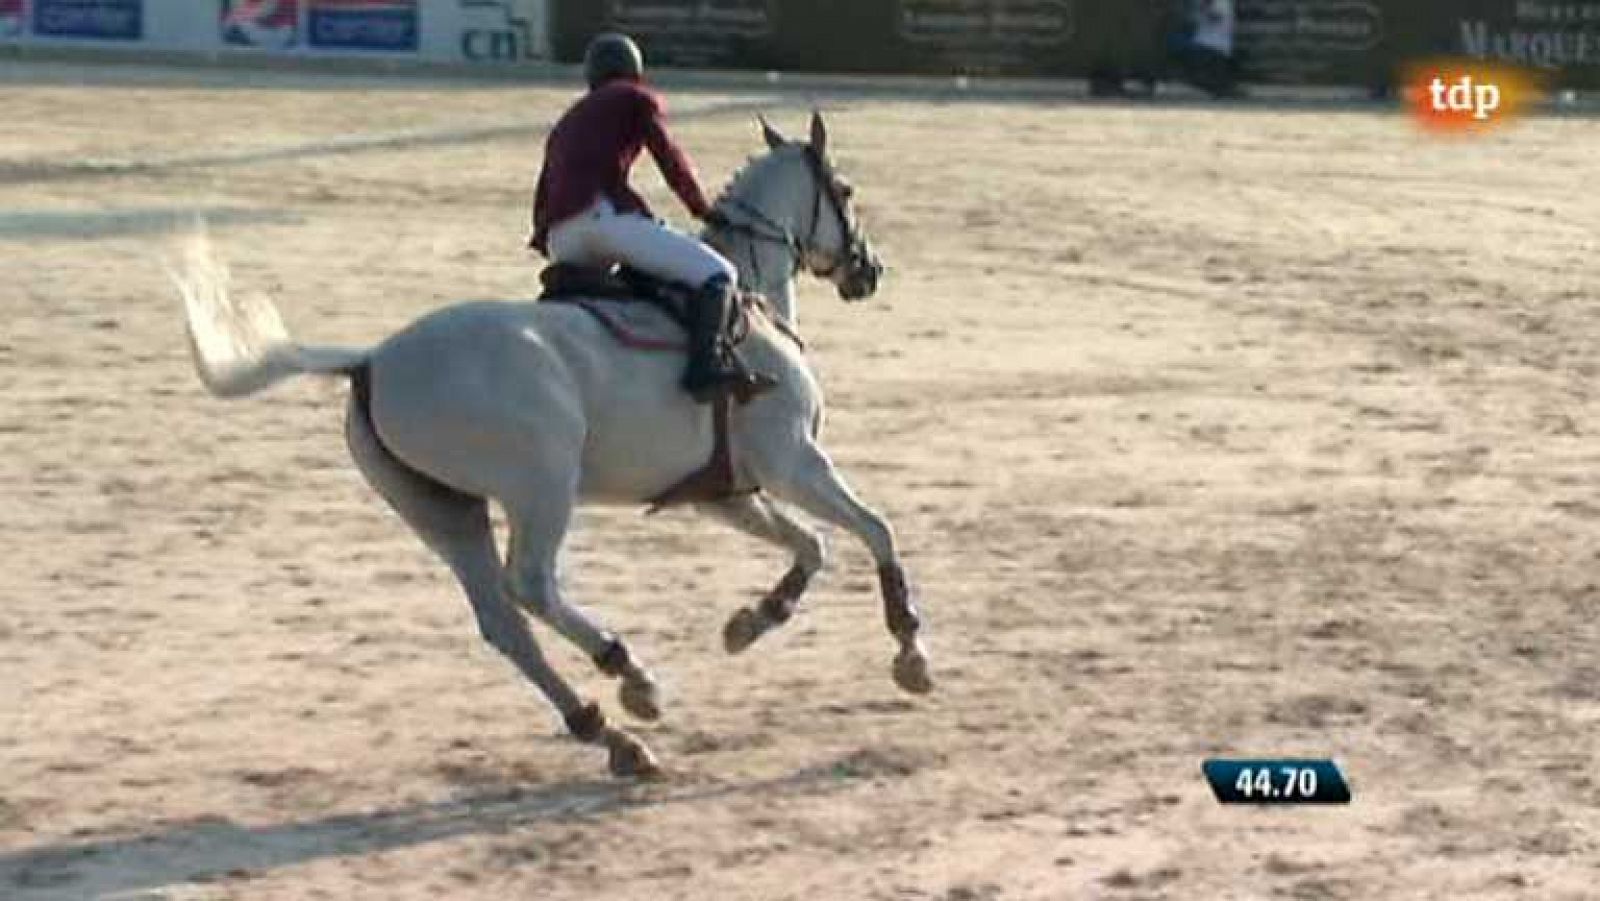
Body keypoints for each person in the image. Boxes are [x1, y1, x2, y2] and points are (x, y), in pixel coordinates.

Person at [529, 32, 772, 404]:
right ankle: (704, 368)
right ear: (634, 71)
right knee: (719, 275)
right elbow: (669, 156)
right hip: (603, 220)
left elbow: (544, 187)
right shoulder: (635, 97)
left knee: (647, 278)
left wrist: (544, 238)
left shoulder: (567, 121)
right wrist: (702, 208)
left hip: (561, 239)